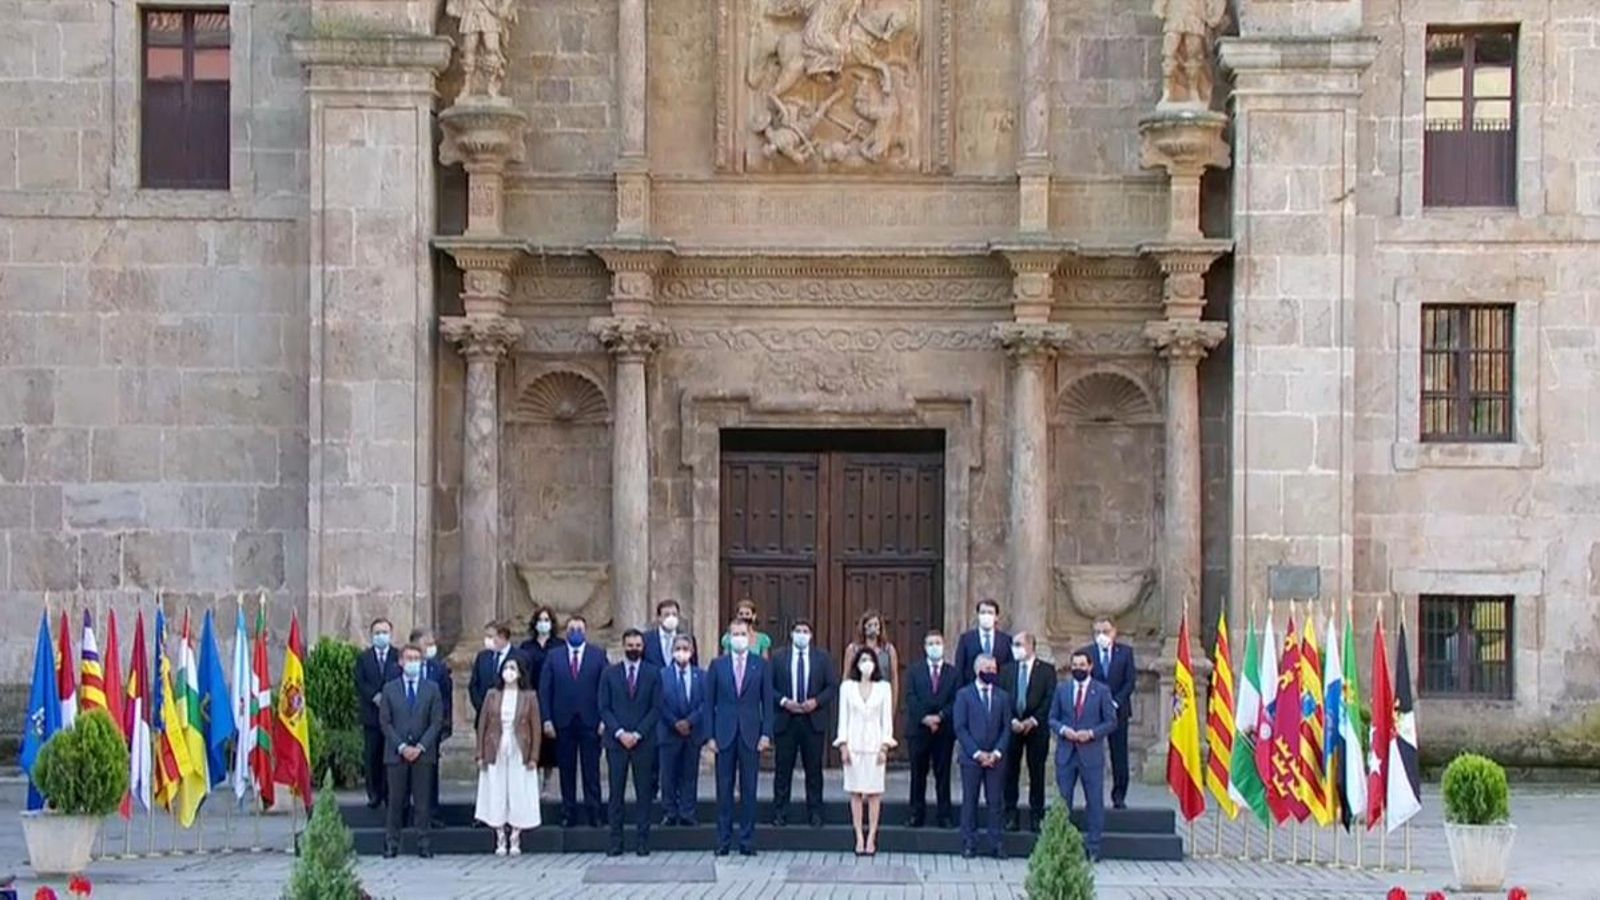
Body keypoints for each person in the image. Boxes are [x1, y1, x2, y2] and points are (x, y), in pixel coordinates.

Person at [706, 618, 772, 856]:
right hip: (724, 734)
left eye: (742, 634)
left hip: (751, 734)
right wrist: (710, 736)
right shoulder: (717, 665)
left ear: (749, 636)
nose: (739, 638)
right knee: (723, 790)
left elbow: (767, 702)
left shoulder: (760, 665)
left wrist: (766, 733)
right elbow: (709, 703)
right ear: (728, 638)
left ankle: (747, 840)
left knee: (749, 789)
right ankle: (723, 840)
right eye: (735, 634)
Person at [538, 614, 608, 827]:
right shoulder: (554, 656)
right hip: (563, 723)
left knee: (591, 771)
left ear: (585, 631)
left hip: (590, 721)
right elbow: (545, 689)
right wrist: (547, 719)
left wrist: (604, 718)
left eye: (579, 628)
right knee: (566, 771)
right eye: (571, 629)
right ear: (565, 632)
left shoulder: (598, 655)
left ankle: (594, 813)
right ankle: (568, 813)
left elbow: (605, 689)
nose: (575, 632)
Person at [1049, 650, 1117, 861]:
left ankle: (1093, 846)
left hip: (1091, 754)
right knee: (1063, 802)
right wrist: (1063, 730)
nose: (1078, 668)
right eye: (1074, 665)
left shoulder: (1102, 691)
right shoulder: (1062, 689)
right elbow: (1052, 718)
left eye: (1082, 665)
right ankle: (1062, 846)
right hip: (1066, 753)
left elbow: (1111, 722)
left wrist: (1092, 733)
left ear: (1090, 666)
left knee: (1094, 802)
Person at [599, 629, 662, 856]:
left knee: (643, 794)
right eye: (630, 645)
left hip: (643, 743)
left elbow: (656, 709)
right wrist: (620, 733)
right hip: (616, 743)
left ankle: (642, 842)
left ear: (643, 647)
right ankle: (616, 842)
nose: (634, 649)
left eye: (637, 645)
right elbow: (604, 708)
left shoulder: (654, 673)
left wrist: (637, 734)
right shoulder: (609, 673)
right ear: (623, 646)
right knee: (616, 794)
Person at [379, 644, 444, 858]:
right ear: (401, 662)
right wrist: (401, 747)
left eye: (417, 658)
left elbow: (436, 722)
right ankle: (391, 843)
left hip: (423, 754)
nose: (413, 662)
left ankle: (424, 843)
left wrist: (420, 746)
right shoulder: (390, 688)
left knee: (422, 802)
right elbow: (385, 722)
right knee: (396, 802)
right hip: (396, 754)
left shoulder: (432, 688)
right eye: (409, 658)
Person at [473, 654, 542, 855]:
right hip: (495, 748)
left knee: (518, 790)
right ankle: (500, 835)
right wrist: (480, 754)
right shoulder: (492, 695)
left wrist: (534, 757)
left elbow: (535, 728)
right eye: (506, 668)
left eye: (513, 668)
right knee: (496, 789)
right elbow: (483, 725)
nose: (508, 673)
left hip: (519, 749)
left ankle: (516, 835)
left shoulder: (529, 696)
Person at [770, 619, 836, 828]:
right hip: (786, 719)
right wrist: (784, 701)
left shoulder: (822, 658)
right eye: (798, 631)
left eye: (805, 631)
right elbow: (768, 686)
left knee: (814, 769)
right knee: (783, 769)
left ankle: (815, 812)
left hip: (812, 721)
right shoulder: (779, 657)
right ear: (791, 634)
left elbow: (831, 686)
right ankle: (780, 812)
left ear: (811, 635)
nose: (801, 634)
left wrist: (816, 702)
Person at [835, 646, 895, 856]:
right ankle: (859, 836)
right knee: (856, 792)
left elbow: (886, 720)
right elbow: (843, 718)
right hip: (854, 746)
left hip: (875, 747)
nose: (866, 663)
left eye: (870, 659)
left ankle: (872, 837)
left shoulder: (884, 688)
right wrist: (843, 745)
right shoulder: (847, 688)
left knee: (874, 792)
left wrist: (885, 747)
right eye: (863, 660)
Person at [954, 653, 1010, 860]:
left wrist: (996, 753)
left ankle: (996, 842)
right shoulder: (964, 695)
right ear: (978, 671)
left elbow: (1006, 728)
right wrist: (977, 754)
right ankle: (969, 842)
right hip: (971, 758)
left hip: (995, 759)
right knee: (970, 800)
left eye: (994, 670)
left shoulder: (1002, 696)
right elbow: (960, 727)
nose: (991, 673)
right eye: (987, 670)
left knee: (995, 801)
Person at [1000, 631, 1055, 833]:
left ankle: (1036, 817)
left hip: (1036, 729)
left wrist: (1033, 720)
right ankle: (1011, 816)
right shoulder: (1006, 670)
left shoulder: (1046, 671)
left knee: (1037, 772)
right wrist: (1012, 720)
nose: (1016, 648)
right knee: (1010, 772)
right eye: (1014, 644)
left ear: (1031, 646)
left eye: (1019, 644)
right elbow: (1002, 697)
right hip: (1013, 727)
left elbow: (1049, 698)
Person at [1078, 617, 1136, 809]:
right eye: (1097, 632)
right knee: (1092, 756)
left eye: (1105, 631)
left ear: (1114, 632)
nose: (1101, 636)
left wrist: (1115, 702)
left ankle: (1119, 796)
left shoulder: (1125, 653)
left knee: (1119, 755)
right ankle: (1092, 797)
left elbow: (1130, 682)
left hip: (1118, 712)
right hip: (1094, 713)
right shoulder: (1087, 653)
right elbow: (1083, 680)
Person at [903, 628, 958, 828]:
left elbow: (955, 699)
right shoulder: (914, 671)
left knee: (943, 775)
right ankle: (916, 814)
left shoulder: (953, 673)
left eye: (938, 643)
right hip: (919, 730)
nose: (935, 647)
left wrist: (940, 717)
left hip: (943, 731)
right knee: (918, 774)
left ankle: (944, 815)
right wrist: (925, 718)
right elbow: (910, 697)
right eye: (931, 643)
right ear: (925, 647)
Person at [657, 635, 708, 826]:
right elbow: (659, 703)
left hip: (692, 732)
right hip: (669, 732)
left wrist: (690, 721)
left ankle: (687, 812)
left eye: (685, 648)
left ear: (692, 652)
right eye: (678, 648)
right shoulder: (662, 675)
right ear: (672, 651)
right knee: (668, 775)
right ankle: (669, 812)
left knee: (689, 774)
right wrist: (675, 723)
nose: (681, 652)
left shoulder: (701, 675)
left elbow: (705, 702)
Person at [355, 617, 402, 810]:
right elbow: (360, 681)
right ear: (372, 635)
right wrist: (374, 696)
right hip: (372, 715)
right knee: (372, 756)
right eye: (377, 633)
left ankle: (390, 795)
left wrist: (388, 697)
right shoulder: (364, 658)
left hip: (392, 717)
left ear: (390, 634)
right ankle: (374, 794)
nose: (381, 636)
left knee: (390, 758)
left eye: (384, 632)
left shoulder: (397, 655)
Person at [411, 628, 453, 826]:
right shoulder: (403, 667)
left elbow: (446, 697)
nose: (431, 647)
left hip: (432, 728)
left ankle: (431, 813)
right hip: (409, 727)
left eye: (431, 644)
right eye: (426, 643)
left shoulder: (439, 669)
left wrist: (445, 724)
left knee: (430, 772)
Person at [518, 606, 562, 794]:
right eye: (540, 620)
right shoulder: (526, 647)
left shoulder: (559, 645)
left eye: (547, 620)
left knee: (549, 743)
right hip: (530, 695)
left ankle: (548, 782)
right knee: (530, 739)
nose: (543, 623)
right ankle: (531, 781)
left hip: (552, 698)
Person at [843, 608, 900, 711]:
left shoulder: (888, 650)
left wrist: (892, 706)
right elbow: (846, 677)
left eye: (876, 624)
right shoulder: (853, 649)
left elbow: (894, 678)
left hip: (881, 698)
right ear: (863, 627)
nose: (872, 628)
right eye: (869, 625)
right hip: (858, 699)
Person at [470, 621, 524, 728]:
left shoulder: (520, 657)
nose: (487, 640)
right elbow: (473, 685)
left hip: (510, 718)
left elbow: (524, 685)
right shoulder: (482, 657)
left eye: (490, 636)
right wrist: (483, 708)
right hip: (485, 719)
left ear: (502, 637)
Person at [954, 600, 1013, 687]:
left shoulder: (1006, 640)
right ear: (978, 616)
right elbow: (959, 667)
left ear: (996, 617)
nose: (986, 616)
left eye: (990, 612)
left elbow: (1010, 668)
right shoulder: (966, 639)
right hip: (972, 692)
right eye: (983, 612)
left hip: (998, 692)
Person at [643, 599, 697, 668]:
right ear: (659, 617)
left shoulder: (688, 638)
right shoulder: (646, 639)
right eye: (667, 615)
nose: (671, 618)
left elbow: (693, 666)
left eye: (674, 614)